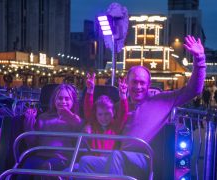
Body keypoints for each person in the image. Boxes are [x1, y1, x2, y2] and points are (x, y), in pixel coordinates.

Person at [78, 35, 206, 179]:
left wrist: (200, 60)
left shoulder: (161, 100)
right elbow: (99, 119)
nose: (138, 87)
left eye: (142, 83)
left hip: (143, 158)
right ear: (127, 82)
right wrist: (88, 126)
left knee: (116, 157)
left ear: (148, 85)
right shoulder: (120, 105)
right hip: (117, 157)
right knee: (85, 162)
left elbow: (193, 90)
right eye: (134, 82)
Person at [22, 84, 82, 180]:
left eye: (67, 99)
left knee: (47, 168)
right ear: (54, 100)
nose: (63, 102)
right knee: (27, 165)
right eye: (60, 98)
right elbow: (32, 143)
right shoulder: (43, 118)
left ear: (73, 101)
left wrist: (71, 117)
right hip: (41, 155)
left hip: (62, 158)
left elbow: (81, 132)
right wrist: (29, 121)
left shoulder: (74, 119)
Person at [83, 73, 128, 150]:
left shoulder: (116, 126)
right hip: (94, 159)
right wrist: (90, 90)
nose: (103, 118)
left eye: (107, 114)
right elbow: (88, 109)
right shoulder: (94, 124)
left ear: (113, 113)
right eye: (100, 114)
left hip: (110, 159)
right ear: (96, 114)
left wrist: (123, 95)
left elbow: (124, 113)